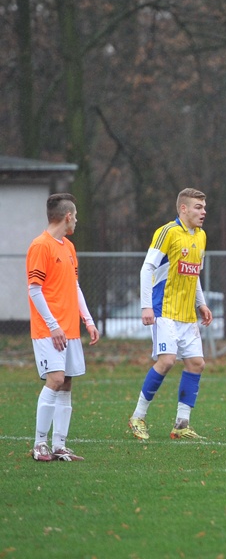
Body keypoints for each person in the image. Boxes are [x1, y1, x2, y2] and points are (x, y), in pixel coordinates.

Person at [128, 188, 213, 441]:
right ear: (183, 209)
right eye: (198, 207)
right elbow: (147, 268)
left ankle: (181, 424)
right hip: (164, 310)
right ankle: (137, 416)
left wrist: (202, 303)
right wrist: (146, 306)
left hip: (188, 315)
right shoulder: (167, 232)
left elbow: (194, 273)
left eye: (204, 207)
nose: (203, 211)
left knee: (197, 364)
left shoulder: (201, 236)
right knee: (166, 361)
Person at [27, 193, 100, 461]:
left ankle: (59, 445)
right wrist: (53, 325)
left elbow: (75, 286)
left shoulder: (68, 247)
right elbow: (35, 291)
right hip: (50, 330)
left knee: (67, 383)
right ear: (68, 216)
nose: (77, 221)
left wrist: (88, 320)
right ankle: (39, 444)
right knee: (55, 380)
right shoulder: (40, 246)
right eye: (76, 216)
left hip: (69, 329)